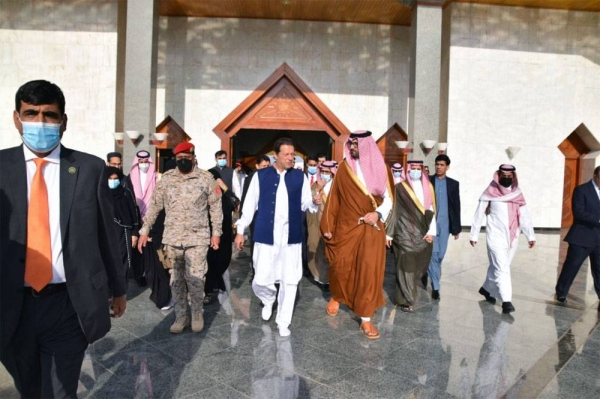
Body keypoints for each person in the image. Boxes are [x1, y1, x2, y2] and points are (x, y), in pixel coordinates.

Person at [0, 79, 126, 398]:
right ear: (17, 118)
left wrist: (119, 289)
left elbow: (107, 236)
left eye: (49, 115)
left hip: (68, 303)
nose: (40, 122)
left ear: (63, 121)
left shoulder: (89, 169)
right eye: (31, 113)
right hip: (12, 304)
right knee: (29, 388)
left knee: (59, 391)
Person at [234, 137, 321, 337]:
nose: (291, 158)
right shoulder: (260, 176)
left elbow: (307, 204)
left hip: (291, 238)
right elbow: (249, 206)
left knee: (290, 281)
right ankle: (268, 299)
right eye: (287, 154)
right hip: (266, 235)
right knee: (261, 279)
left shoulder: (301, 177)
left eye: (293, 154)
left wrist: (315, 201)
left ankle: (283, 321)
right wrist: (240, 231)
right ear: (276, 156)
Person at [138, 142, 223, 333]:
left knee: (196, 279)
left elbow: (216, 208)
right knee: (175, 280)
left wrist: (216, 233)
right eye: (179, 158)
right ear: (175, 159)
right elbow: (154, 207)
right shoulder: (167, 179)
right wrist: (144, 230)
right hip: (173, 238)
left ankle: (197, 314)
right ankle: (181, 316)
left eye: (186, 157)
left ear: (194, 157)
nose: (183, 161)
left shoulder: (206, 178)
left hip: (198, 238)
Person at [321, 130, 392, 340]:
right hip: (345, 227)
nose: (352, 147)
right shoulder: (344, 169)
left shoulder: (382, 169)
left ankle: (366, 319)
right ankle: (338, 295)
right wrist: (327, 224)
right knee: (340, 265)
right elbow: (334, 199)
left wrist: (377, 213)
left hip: (372, 229)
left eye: (355, 144)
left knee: (368, 271)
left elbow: (389, 199)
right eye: (350, 144)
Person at [470, 164, 536, 314]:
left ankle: (486, 289)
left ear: (513, 177)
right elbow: (479, 214)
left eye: (509, 176)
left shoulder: (517, 194)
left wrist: (530, 235)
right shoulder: (490, 192)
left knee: (500, 266)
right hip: (495, 236)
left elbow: (524, 216)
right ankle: (507, 301)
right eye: (503, 176)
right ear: (498, 176)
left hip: (513, 237)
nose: (506, 179)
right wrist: (474, 234)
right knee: (502, 268)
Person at [386, 160, 436, 313]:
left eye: (418, 169)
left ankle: (404, 295)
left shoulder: (428, 187)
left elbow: (432, 210)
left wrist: (431, 232)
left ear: (422, 170)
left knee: (416, 268)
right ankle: (408, 300)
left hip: (422, 232)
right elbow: (395, 210)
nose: (415, 171)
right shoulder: (401, 187)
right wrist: (389, 233)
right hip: (403, 231)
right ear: (407, 170)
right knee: (405, 265)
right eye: (412, 168)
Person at [555, 166, 600, 310]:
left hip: (599, 239)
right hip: (582, 237)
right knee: (572, 266)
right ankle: (561, 292)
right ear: (595, 176)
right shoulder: (582, 190)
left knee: (599, 269)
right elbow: (579, 212)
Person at [423, 154, 461, 300]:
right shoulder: (427, 181)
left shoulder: (453, 184)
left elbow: (456, 206)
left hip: (445, 224)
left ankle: (427, 271)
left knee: (440, 255)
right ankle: (436, 287)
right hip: (430, 224)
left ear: (447, 167)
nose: (439, 167)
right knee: (433, 253)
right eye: (437, 164)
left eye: (442, 165)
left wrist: (456, 228)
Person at [125, 150, 158, 286]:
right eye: (141, 162)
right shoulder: (129, 178)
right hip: (135, 217)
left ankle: (151, 275)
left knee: (150, 249)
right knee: (136, 250)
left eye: (146, 162)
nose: (144, 165)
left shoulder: (156, 177)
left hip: (152, 218)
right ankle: (138, 275)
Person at [204, 166, 235, 304]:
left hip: (225, 233)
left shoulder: (224, 193)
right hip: (209, 234)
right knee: (210, 261)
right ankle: (208, 290)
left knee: (223, 259)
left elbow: (236, 203)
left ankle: (217, 282)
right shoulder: (205, 193)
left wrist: (225, 188)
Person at [107, 166, 140, 287]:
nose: (113, 181)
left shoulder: (126, 193)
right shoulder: (101, 193)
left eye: (115, 178)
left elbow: (133, 212)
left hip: (124, 230)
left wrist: (134, 233)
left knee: (124, 261)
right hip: (106, 231)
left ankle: (121, 290)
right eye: (110, 179)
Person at [307, 160, 337, 286]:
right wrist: (318, 189)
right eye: (323, 171)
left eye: (327, 172)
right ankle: (319, 277)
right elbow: (308, 200)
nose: (325, 174)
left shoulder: (337, 186)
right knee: (314, 246)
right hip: (315, 222)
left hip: (331, 223)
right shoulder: (315, 185)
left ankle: (329, 277)